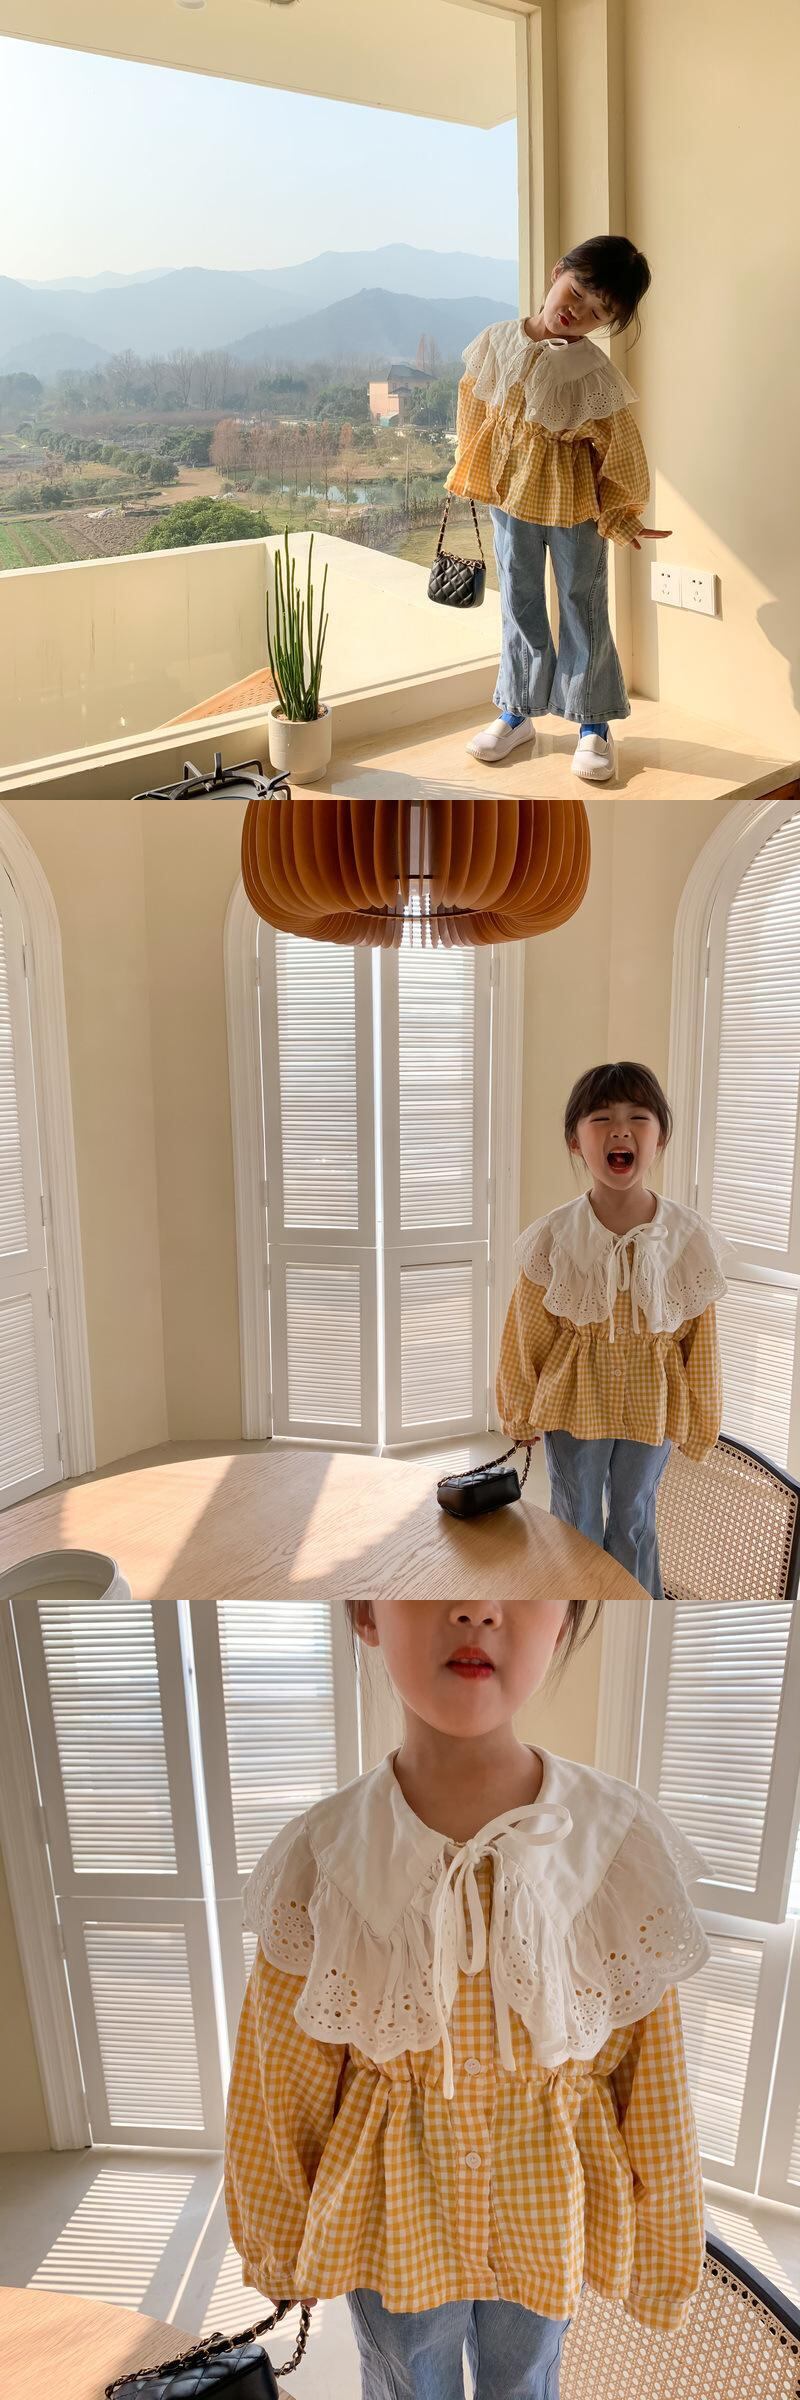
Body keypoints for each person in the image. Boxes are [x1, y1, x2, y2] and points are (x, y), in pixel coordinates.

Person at [225, 1598, 711, 2400]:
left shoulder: (615, 1844)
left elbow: (654, 2077)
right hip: (391, 2217)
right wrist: (280, 2246)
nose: (477, 1608)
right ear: (365, 1610)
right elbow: (280, 2084)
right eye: (430, 1583)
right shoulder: (324, 1858)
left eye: (520, 1586)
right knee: (404, 2385)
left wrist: (665, 2251)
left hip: (546, 2209)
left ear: (565, 1620)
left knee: (526, 2384)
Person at [496, 1061, 733, 1599]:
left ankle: (634, 1613)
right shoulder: (555, 1236)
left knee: (634, 1516)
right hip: (573, 1399)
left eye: (638, 1117)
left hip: (653, 1403)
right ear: (575, 1141)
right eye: (601, 1118)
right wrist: (519, 1408)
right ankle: (572, 1614)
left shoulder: (687, 1238)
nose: (620, 1130)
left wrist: (702, 1419)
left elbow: (701, 1341)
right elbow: (525, 1329)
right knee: (574, 1513)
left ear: (660, 1137)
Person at [445, 235, 671, 785]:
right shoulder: (496, 342)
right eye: (578, 290)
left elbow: (619, 447)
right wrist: (472, 475)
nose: (578, 311)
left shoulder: (593, 374)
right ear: (557, 272)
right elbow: (473, 409)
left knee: (581, 604)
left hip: (574, 506)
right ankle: (516, 711)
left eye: (597, 312)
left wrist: (623, 511)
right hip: (511, 501)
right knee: (519, 600)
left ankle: (593, 724)